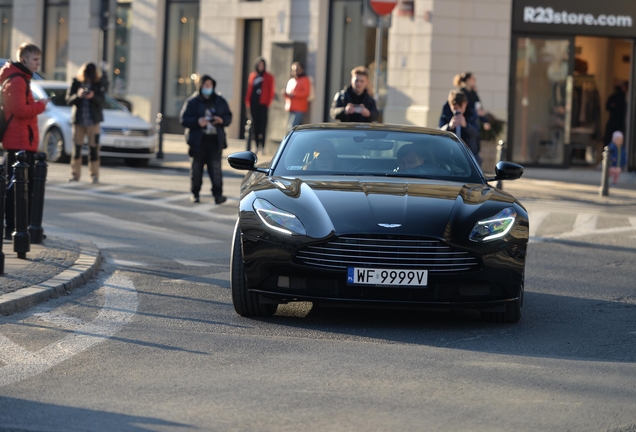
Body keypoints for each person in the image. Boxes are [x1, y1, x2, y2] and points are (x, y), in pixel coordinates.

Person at [0, 43, 49, 239]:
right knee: (18, 189)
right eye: (35, 60)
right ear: (24, 59)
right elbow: (20, 111)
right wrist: (41, 105)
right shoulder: (18, 80)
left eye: (39, 60)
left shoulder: (20, 78)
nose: (38, 64)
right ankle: (17, 230)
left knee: (20, 187)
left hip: (20, 139)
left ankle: (19, 228)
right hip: (18, 141)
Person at [180, 75, 232, 204]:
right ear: (200, 86)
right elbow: (184, 119)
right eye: (205, 85)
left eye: (210, 85)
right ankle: (195, 193)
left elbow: (229, 116)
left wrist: (222, 120)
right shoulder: (192, 101)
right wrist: (198, 122)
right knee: (196, 169)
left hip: (215, 141)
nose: (208, 87)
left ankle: (218, 195)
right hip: (198, 141)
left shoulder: (220, 101)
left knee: (216, 170)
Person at [65, 62, 106, 183]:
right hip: (79, 121)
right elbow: (68, 100)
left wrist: (93, 96)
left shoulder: (98, 83)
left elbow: (103, 100)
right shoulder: (76, 82)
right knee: (76, 149)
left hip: (93, 122)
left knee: (94, 149)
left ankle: (94, 175)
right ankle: (75, 174)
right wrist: (78, 96)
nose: (89, 77)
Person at [439, 90, 481, 165]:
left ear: (465, 104)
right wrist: (449, 127)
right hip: (449, 156)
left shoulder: (471, 112)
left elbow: (476, 132)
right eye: (454, 107)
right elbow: (439, 132)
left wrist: (466, 125)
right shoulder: (446, 112)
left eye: (460, 106)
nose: (457, 110)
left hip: (469, 155)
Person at [245, 57, 275, 154]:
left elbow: (271, 91)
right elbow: (250, 89)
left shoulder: (269, 77)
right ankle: (257, 145)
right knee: (255, 125)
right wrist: (248, 102)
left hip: (263, 105)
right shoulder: (253, 76)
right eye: (259, 65)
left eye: (262, 65)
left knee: (263, 126)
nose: (260, 67)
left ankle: (263, 146)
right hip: (254, 104)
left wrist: (268, 102)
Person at [282, 62, 311, 131]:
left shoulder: (305, 80)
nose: (296, 71)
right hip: (290, 107)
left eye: (297, 69)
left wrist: (294, 95)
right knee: (290, 128)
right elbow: (288, 95)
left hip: (299, 108)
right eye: (294, 70)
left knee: (292, 128)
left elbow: (306, 93)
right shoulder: (291, 81)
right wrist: (286, 94)